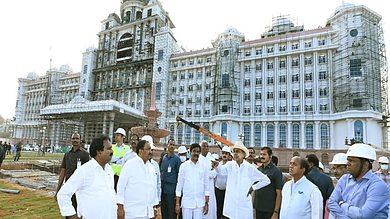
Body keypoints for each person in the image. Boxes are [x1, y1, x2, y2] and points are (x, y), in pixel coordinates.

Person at [57, 135, 117, 219]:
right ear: (99, 151)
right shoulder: (84, 171)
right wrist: (73, 217)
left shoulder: (109, 170)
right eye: (109, 148)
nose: (112, 151)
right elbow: (63, 194)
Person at [328, 143, 389, 218]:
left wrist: (341, 204)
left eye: (352, 161)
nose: (347, 164)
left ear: (365, 164)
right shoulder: (344, 179)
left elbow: (363, 215)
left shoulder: (377, 185)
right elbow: (331, 203)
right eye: (348, 160)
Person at [213, 140, 271, 219]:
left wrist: (253, 188)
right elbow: (220, 171)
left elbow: (266, 180)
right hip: (231, 206)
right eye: (234, 152)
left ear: (243, 154)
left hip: (243, 207)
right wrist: (216, 166)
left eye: (238, 151)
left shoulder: (250, 168)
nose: (235, 154)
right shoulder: (230, 165)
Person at [117, 139, 158, 219]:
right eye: (148, 149)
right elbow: (121, 186)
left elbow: (153, 187)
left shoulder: (151, 167)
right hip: (132, 212)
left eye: (151, 149)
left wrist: (154, 207)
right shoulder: (130, 164)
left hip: (147, 212)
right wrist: (120, 207)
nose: (150, 152)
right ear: (140, 150)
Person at [55, 133, 90, 213]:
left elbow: (88, 172)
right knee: (68, 210)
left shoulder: (85, 154)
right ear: (71, 140)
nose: (75, 140)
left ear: (80, 140)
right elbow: (63, 172)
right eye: (73, 138)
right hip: (68, 187)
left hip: (80, 188)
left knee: (79, 211)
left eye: (77, 138)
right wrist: (58, 190)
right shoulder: (67, 154)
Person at [175, 143, 210, 219]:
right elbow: (179, 185)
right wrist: (177, 203)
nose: (196, 153)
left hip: (199, 203)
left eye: (198, 152)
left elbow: (207, 186)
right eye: (194, 151)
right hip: (187, 203)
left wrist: (206, 203)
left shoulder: (203, 167)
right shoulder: (184, 166)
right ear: (190, 152)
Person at [254, 147, 284, 219]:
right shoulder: (258, 170)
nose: (261, 156)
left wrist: (276, 212)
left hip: (269, 210)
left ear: (270, 156)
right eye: (260, 154)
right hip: (258, 208)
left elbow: (279, 194)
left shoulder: (276, 171)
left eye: (264, 154)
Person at [161, 139, 181, 219]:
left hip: (172, 191)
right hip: (164, 190)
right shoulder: (164, 158)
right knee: (164, 212)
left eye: (173, 145)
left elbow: (179, 176)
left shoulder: (177, 159)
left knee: (171, 214)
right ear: (167, 145)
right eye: (170, 144)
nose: (172, 146)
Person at [199, 141, 217, 219]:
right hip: (200, 187)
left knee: (211, 208)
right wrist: (208, 173)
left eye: (207, 146)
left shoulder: (212, 159)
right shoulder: (198, 159)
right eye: (204, 146)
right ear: (200, 148)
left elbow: (215, 173)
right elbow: (199, 173)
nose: (206, 148)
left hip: (210, 188)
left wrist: (208, 173)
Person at [214, 146, 231, 219]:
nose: (224, 155)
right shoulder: (218, 164)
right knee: (218, 210)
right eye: (223, 153)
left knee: (226, 211)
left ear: (229, 156)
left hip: (228, 192)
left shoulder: (231, 165)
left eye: (226, 154)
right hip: (217, 191)